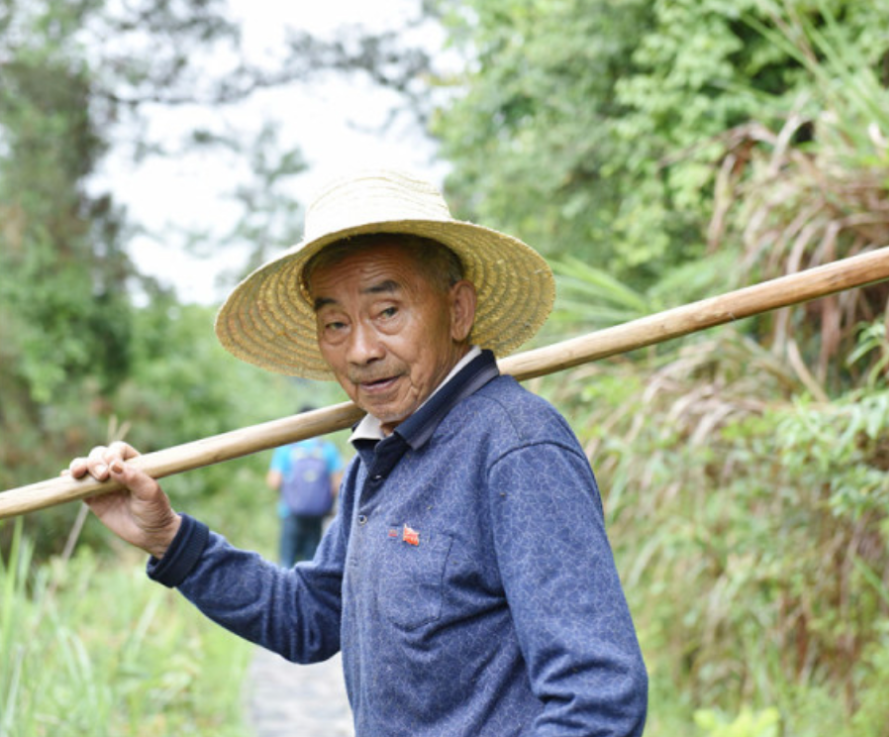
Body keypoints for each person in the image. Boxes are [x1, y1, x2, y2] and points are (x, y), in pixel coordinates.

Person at [67, 169, 648, 736]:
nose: (362, 350)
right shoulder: (382, 455)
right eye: (336, 324)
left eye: (387, 311)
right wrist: (167, 536)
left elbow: (597, 702)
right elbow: (308, 618)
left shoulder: (516, 448)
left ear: (459, 310)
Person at [267, 411, 343, 568]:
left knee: (286, 562)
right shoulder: (327, 449)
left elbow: (273, 482)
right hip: (317, 515)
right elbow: (338, 484)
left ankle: (284, 592)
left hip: (290, 513)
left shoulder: (287, 449)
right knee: (311, 561)